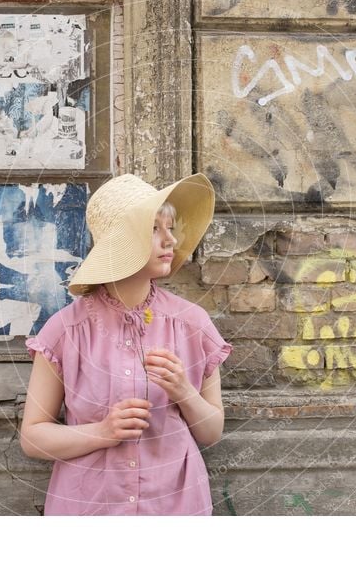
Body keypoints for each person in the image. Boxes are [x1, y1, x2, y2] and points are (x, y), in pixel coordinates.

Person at [20, 172, 232, 516]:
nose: (170, 241)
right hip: (90, 510)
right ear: (120, 242)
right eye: (154, 229)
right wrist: (102, 432)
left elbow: (211, 431)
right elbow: (32, 437)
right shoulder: (66, 330)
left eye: (171, 227)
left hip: (174, 510)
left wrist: (183, 391)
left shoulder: (193, 324)